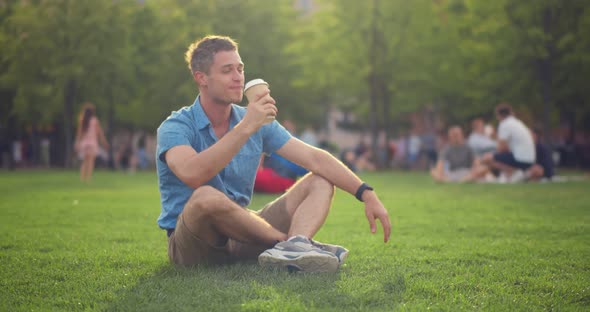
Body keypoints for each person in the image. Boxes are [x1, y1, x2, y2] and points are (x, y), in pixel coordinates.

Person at [156, 36, 391, 273]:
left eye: (240, 68)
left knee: (320, 179)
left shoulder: (255, 121)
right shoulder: (176, 126)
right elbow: (192, 174)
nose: (238, 77)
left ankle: (294, 247)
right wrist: (246, 125)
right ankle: (288, 245)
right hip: (194, 244)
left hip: (243, 234)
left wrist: (366, 193)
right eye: (227, 70)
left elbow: (315, 159)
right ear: (202, 78)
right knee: (206, 196)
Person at [481, 103, 535, 182]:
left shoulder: (504, 124)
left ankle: (514, 173)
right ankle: (513, 174)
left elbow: (502, 148)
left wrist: (493, 141)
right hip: (530, 159)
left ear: (499, 115)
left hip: (520, 159)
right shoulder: (518, 123)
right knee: (495, 157)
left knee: (486, 158)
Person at [74, 102, 109, 182]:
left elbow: (79, 133)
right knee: (90, 162)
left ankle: (82, 178)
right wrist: (104, 142)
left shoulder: (82, 119)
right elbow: (99, 132)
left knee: (84, 161)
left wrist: (77, 143)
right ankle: (88, 178)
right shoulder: (94, 120)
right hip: (92, 143)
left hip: (85, 143)